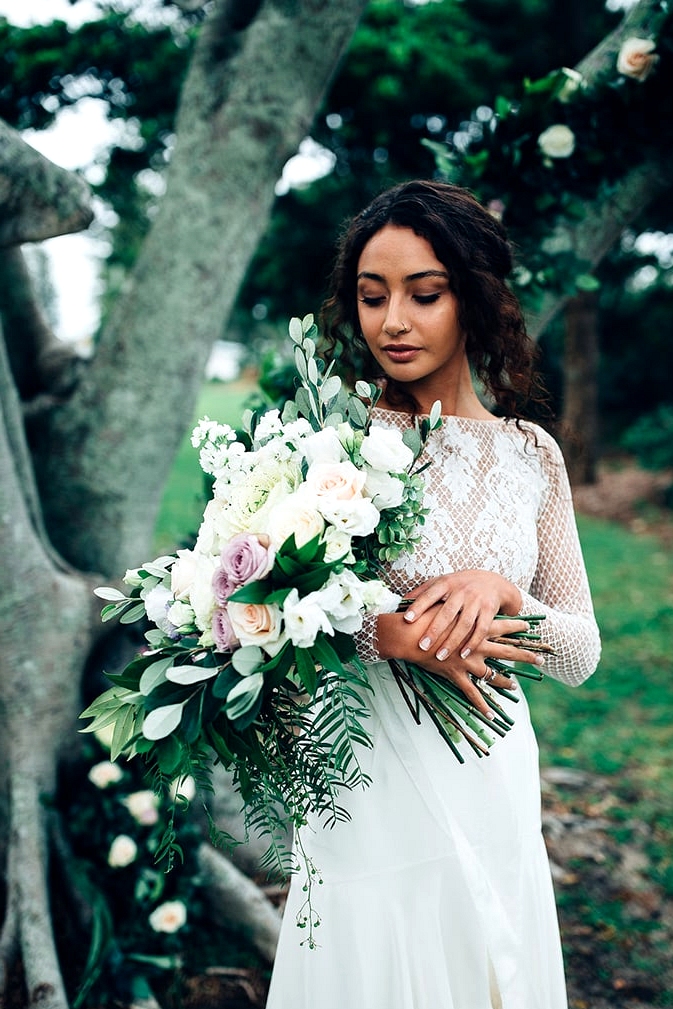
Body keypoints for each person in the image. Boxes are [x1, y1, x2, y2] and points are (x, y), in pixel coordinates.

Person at [265, 179, 601, 1009]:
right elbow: (258, 616)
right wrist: (387, 633)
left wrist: (503, 594)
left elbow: (581, 652)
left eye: (424, 294)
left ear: (474, 298)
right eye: (372, 297)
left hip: (489, 768)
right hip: (364, 770)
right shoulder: (328, 442)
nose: (393, 322)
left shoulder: (532, 455)